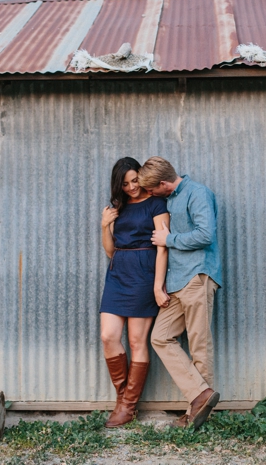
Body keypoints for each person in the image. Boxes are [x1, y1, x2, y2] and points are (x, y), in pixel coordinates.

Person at [138, 156, 223, 429]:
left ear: (163, 183)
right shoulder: (171, 199)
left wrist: (168, 239)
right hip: (177, 283)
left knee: (199, 345)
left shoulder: (197, 193)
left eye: (151, 190)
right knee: (160, 337)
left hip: (197, 276)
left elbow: (205, 234)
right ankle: (200, 394)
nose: (150, 195)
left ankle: (196, 416)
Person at [99, 157, 170, 428]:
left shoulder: (156, 204)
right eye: (125, 183)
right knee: (109, 336)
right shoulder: (119, 206)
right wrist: (105, 224)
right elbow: (109, 250)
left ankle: (127, 407)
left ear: (141, 175)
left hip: (144, 273)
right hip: (118, 273)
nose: (131, 187)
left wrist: (157, 285)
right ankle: (123, 401)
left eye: (134, 180)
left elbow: (163, 246)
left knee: (138, 341)